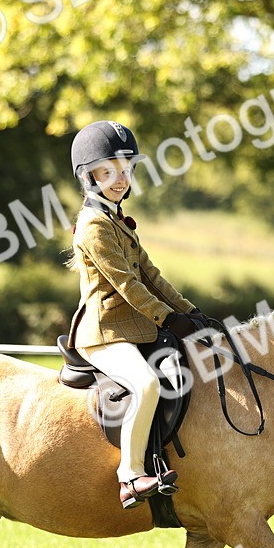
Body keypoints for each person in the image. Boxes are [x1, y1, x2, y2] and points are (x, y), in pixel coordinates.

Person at [66, 120, 201, 509]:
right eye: (108, 171)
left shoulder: (116, 220)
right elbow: (128, 286)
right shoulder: (93, 225)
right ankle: (130, 475)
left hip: (133, 329)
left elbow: (153, 276)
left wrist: (193, 312)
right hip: (103, 333)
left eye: (126, 169)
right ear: (88, 176)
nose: (120, 179)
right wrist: (169, 319)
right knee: (146, 384)